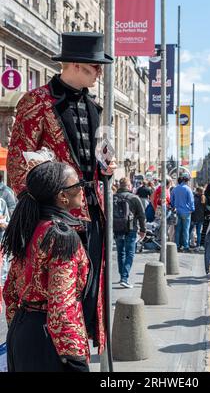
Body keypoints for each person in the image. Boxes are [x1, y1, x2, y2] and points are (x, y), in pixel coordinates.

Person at [7, 32, 116, 355]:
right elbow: (18, 166)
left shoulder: (94, 107)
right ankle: (58, 354)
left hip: (92, 213)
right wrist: (47, 209)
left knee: (86, 293)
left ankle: (76, 351)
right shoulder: (36, 101)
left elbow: (98, 161)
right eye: (95, 67)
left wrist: (106, 167)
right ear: (75, 64)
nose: (99, 73)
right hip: (53, 219)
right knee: (54, 296)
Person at [1, 160, 91, 372]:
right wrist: (75, 358)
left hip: (22, 332)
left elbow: (10, 291)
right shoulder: (62, 237)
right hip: (48, 339)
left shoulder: (30, 226)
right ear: (62, 196)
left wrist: (21, 329)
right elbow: (62, 305)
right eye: (78, 185)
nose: (82, 190)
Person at [114, 178, 146, 288]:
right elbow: (141, 215)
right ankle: (124, 277)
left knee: (120, 252)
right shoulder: (134, 198)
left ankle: (122, 276)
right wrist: (143, 230)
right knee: (130, 253)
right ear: (128, 186)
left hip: (117, 228)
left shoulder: (113, 197)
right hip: (131, 228)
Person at [171, 173, 195, 252]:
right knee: (186, 230)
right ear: (187, 181)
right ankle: (185, 246)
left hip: (177, 211)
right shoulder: (188, 189)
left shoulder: (175, 189)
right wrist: (192, 209)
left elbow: (172, 200)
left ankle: (177, 245)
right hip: (186, 212)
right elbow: (191, 201)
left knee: (177, 229)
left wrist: (174, 207)